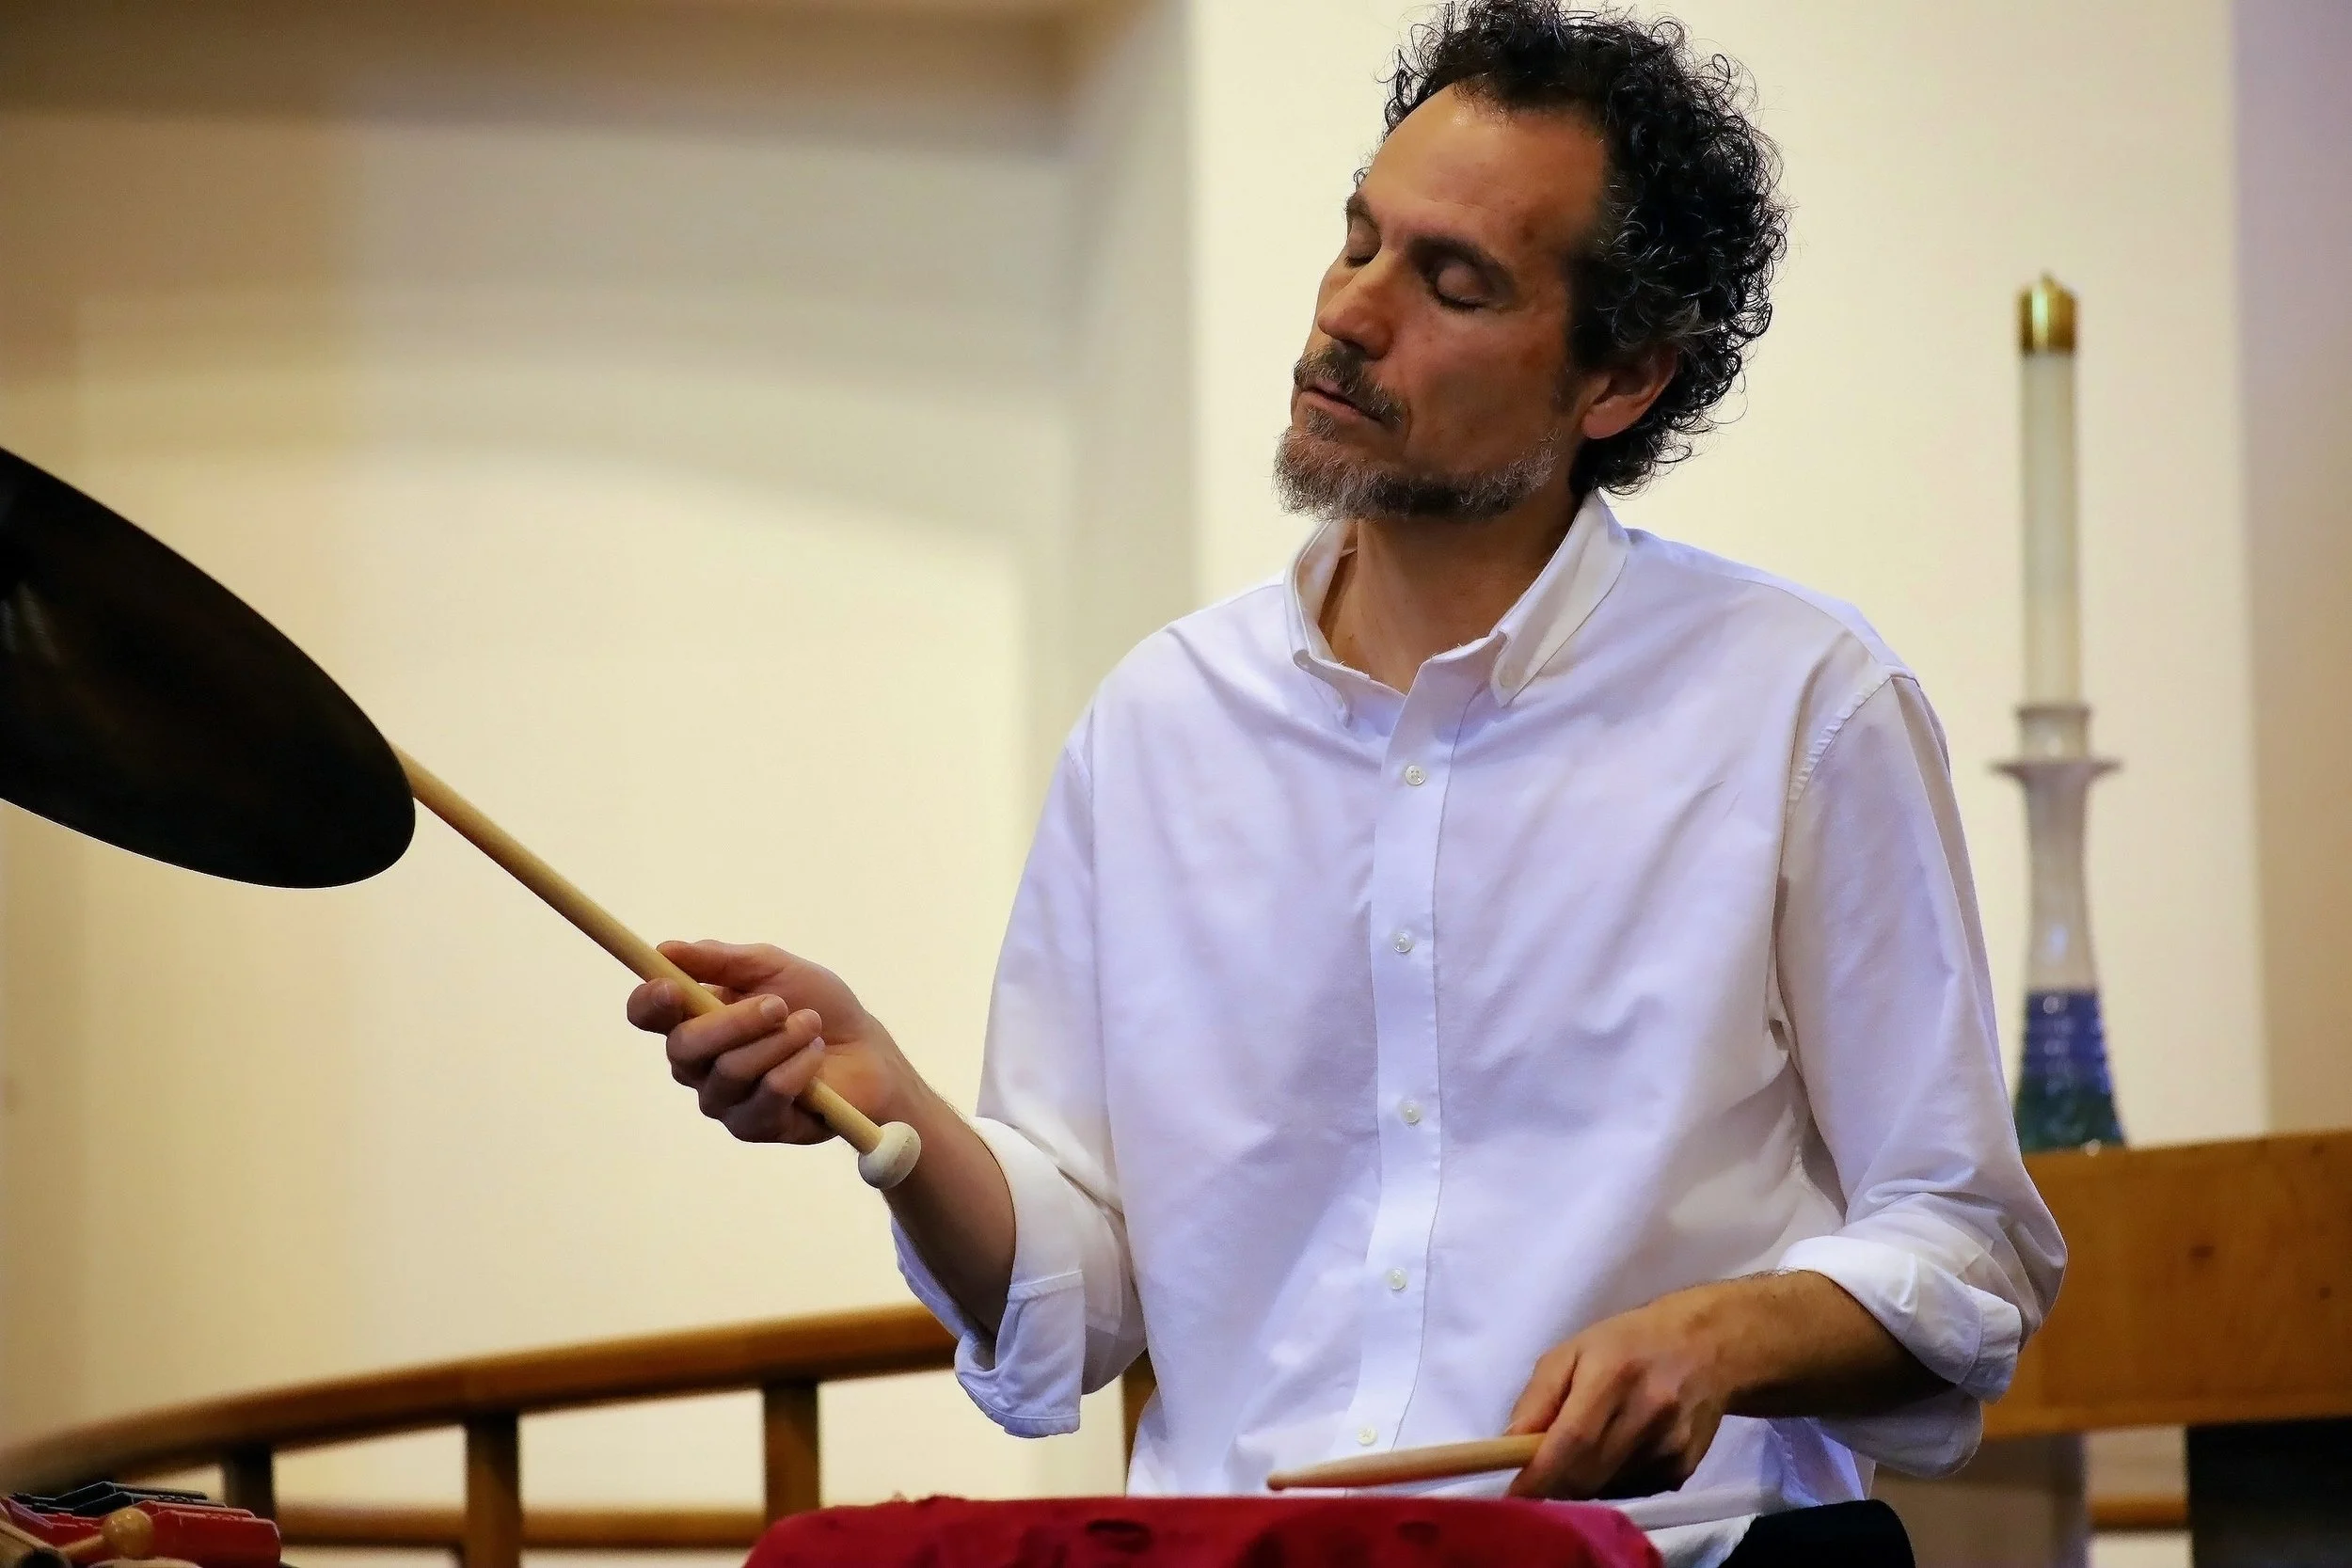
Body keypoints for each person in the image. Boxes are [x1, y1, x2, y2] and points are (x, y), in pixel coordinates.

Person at [626, 6, 2063, 1564]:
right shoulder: (1162, 722)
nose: (1349, 317)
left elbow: (1967, 1246)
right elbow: (1086, 1295)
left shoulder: (1798, 704)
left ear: (1620, 381)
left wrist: (1722, 1335)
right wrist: (889, 1106)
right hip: (1247, 1552)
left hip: (1668, 1556)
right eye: (1358, 240)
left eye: (1452, 283)